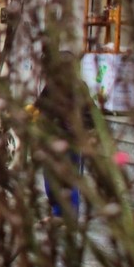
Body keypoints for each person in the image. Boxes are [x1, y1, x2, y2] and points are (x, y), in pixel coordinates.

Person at [36, 50, 97, 220]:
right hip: (53, 140)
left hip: (73, 142)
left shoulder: (79, 88)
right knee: (51, 180)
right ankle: (58, 213)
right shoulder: (51, 87)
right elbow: (39, 106)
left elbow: (90, 114)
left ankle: (70, 216)